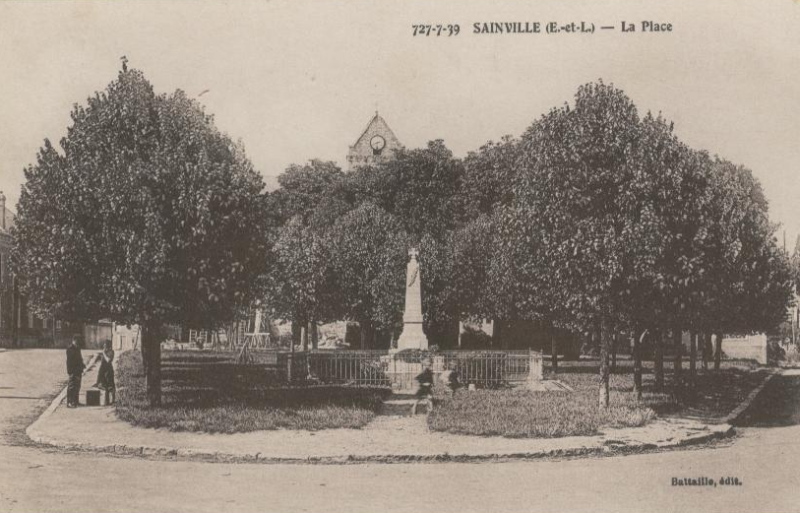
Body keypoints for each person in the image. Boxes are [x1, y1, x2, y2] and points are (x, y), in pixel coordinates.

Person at [65, 335, 85, 408]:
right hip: (73, 370)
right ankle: (69, 402)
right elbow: (70, 362)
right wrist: (72, 371)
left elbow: (80, 358)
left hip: (78, 370)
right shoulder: (70, 349)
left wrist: (82, 365)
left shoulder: (77, 348)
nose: (78, 342)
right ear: (74, 340)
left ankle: (76, 401)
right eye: (77, 341)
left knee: (77, 386)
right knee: (71, 387)